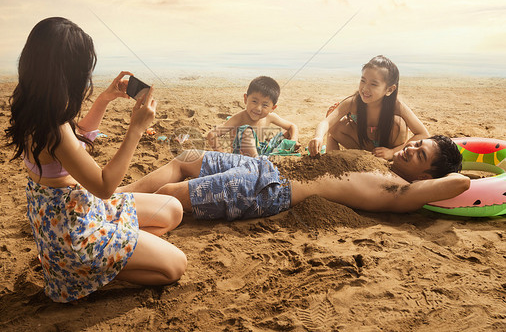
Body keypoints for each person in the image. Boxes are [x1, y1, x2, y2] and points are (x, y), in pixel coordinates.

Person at [5, 17, 186, 303]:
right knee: (175, 266)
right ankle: (86, 273)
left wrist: (103, 100)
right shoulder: (53, 127)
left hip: (75, 211)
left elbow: (74, 142)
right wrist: (136, 128)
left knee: (172, 209)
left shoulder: (35, 104)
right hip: (76, 233)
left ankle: (108, 256)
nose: (87, 78)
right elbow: (104, 186)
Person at [124, 135, 469, 220]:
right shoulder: (377, 158)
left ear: (425, 174)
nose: (411, 149)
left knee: (172, 191)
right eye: (417, 144)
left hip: (268, 188)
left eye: (420, 155)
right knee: (184, 159)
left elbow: (460, 183)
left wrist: (458, 173)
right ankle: (113, 192)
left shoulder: (399, 191)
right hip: (262, 165)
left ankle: (107, 210)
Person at [307, 55, 430, 161]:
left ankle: (389, 157)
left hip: (388, 148)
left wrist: (392, 152)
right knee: (334, 126)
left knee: (399, 123)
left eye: (373, 84)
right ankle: (332, 160)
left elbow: (423, 134)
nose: (365, 88)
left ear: (389, 89)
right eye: (363, 81)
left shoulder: (397, 106)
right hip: (363, 145)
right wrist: (318, 137)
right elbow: (326, 122)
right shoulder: (353, 102)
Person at [206, 76, 299, 157]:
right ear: (245, 99)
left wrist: (293, 141)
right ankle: (257, 161)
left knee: (287, 134)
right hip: (243, 157)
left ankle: (261, 159)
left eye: (265, 105)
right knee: (246, 131)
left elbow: (292, 126)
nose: (258, 108)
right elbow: (212, 134)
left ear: (272, 108)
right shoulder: (240, 118)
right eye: (254, 101)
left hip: (264, 152)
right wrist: (222, 154)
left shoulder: (270, 117)